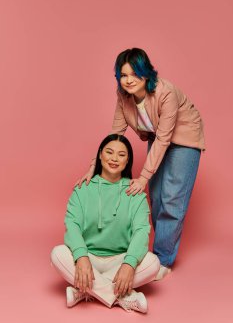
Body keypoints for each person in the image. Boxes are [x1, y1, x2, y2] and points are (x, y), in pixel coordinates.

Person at [76, 48, 205, 280]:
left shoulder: (166, 92)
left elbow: (166, 138)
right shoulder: (123, 96)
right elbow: (115, 133)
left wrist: (143, 176)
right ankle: (159, 250)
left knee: (173, 199)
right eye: (123, 75)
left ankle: (163, 259)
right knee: (155, 197)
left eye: (134, 74)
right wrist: (93, 167)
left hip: (184, 138)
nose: (128, 80)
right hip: (158, 138)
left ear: (146, 74)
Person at [51, 134, 160, 313]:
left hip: (120, 259)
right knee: (57, 253)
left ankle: (83, 291)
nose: (114, 159)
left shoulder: (136, 193)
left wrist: (129, 264)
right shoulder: (82, 189)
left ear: (127, 161)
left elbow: (141, 231)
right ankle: (123, 296)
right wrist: (81, 257)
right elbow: (72, 225)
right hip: (88, 258)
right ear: (100, 155)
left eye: (121, 155)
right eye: (109, 152)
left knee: (153, 263)